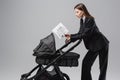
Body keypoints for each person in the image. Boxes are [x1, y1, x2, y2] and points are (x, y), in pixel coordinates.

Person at [65, 3, 109, 80]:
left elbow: (85, 34)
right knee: (86, 64)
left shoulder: (90, 19)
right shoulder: (82, 20)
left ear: (83, 11)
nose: (76, 14)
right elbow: (80, 33)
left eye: (77, 12)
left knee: (102, 67)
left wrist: (72, 37)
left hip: (101, 44)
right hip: (94, 46)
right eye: (75, 12)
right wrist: (70, 36)